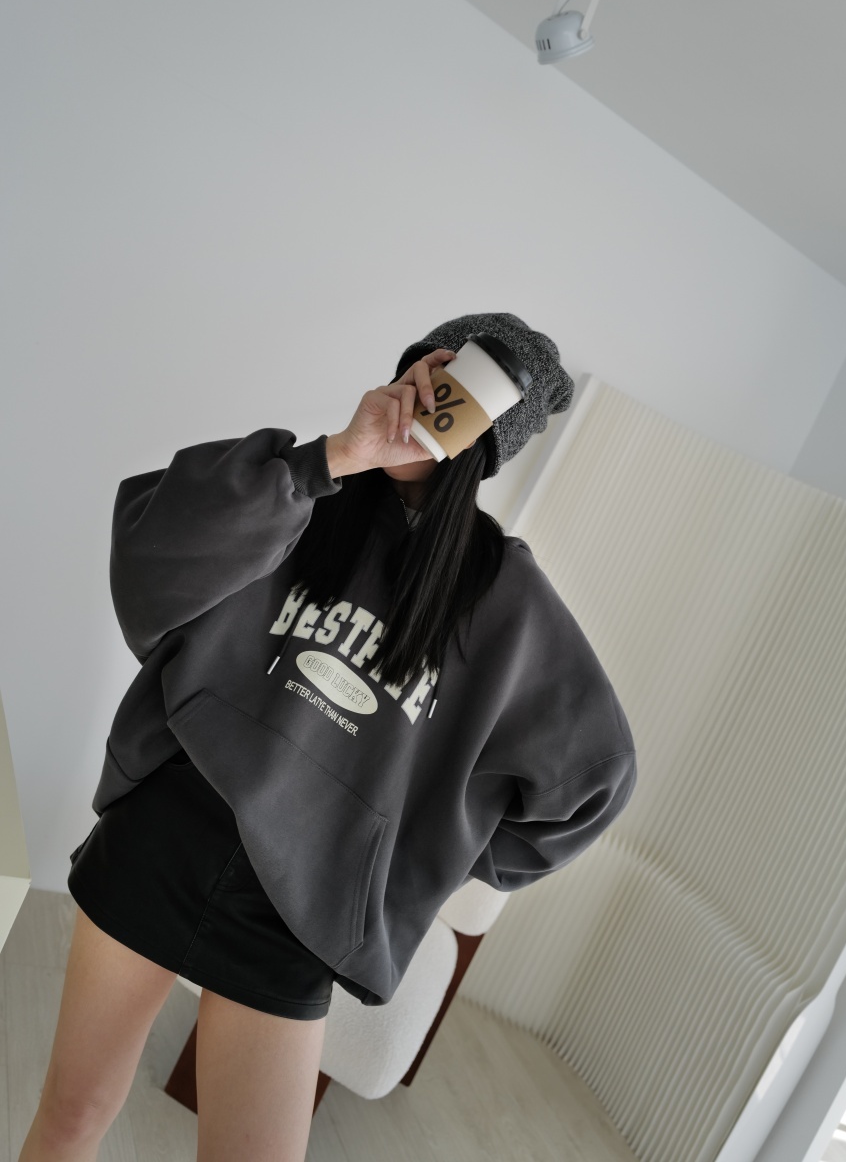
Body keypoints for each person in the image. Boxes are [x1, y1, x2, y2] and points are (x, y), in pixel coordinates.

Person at [21, 312, 637, 1162]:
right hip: (165, 834)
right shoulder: (297, 491)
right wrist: (337, 456)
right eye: (421, 369)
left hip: (300, 913)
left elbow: (595, 779)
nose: (425, 393)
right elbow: (149, 555)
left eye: (455, 387)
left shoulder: (505, 599)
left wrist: (416, 849)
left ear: (487, 437)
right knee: (72, 1114)